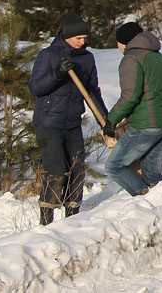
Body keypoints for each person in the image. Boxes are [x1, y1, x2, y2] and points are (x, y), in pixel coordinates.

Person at [28, 12, 107, 225]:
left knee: (76, 168)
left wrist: (105, 120)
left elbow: (92, 91)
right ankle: (46, 220)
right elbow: (35, 88)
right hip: (48, 123)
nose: (83, 42)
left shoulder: (86, 58)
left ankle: (71, 218)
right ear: (67, 36)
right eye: (78, 39)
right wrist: (58, 74)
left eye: (85, 39)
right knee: (55, 169)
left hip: (72, 122)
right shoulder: (48, 56)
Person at [102, 22, 162, 197]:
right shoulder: (158, 57)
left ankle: (143, 197)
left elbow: (130, 95)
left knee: (114, 166)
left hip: (145, 125)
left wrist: (111, 120)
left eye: (118, 43)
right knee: (152, 176)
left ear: (125, 42)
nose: (117, 47)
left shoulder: (131, 58)